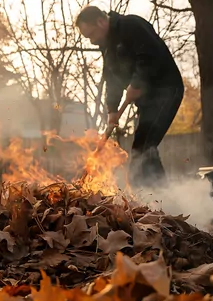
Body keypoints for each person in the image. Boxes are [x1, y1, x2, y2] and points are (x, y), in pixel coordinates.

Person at [75, 6, 184, 189]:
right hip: (147, 102)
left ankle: (156, 198)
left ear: (101, 22)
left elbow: (149, 56)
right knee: (145, 147)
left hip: (166, 91)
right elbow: (112, 80)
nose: (92, 41)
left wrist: (136, 83)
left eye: (91, 35)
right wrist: (111, 110)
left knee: (142, 148)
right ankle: (161, 197)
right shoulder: (108, 48)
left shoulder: (131, 25)